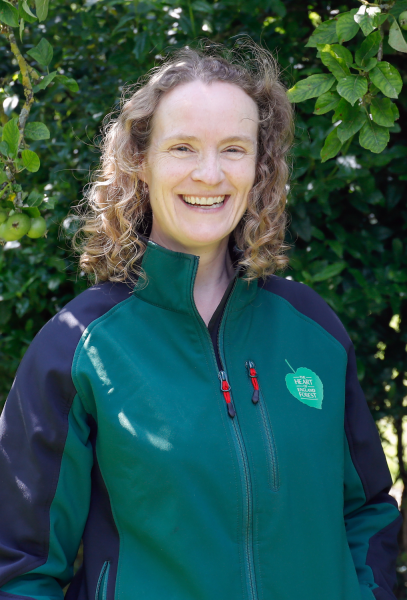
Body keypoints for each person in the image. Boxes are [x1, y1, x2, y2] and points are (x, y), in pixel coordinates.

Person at [0, 43, 401, 600]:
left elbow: (367, 511)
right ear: (141, 160)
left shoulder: (313, 330)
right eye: (183, 147)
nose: (209, 174)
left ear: (259, 166)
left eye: (233, 149)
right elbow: (22, 567)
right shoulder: (76, 350)